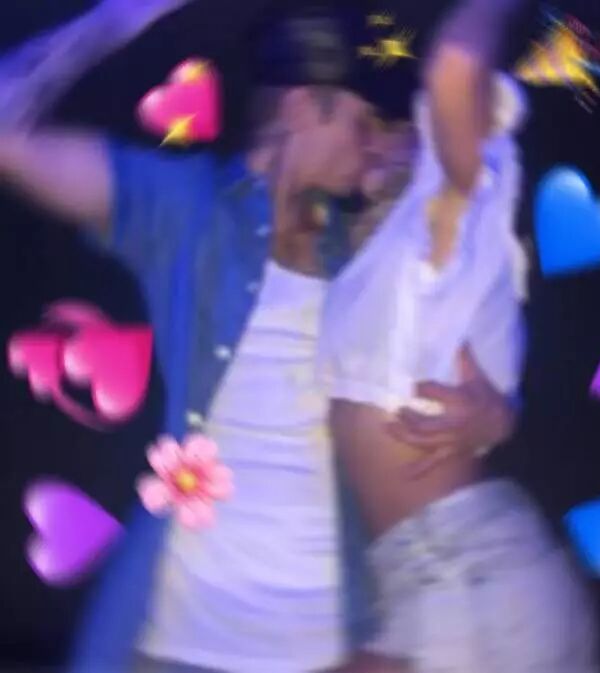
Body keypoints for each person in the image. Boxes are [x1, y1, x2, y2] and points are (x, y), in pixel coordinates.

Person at [0, 3, 514, 672]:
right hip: (176, 645)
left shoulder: (368, 247)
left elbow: (466, 354)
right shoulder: (186, 208)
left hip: (337, 645)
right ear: (302, 107)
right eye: (359, 122)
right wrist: (117, 18)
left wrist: (496, 413)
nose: (371, 146)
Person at [319, 1, 600, 671]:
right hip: (440, 578)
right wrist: (502, 416)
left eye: (386, 129)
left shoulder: (446, 213)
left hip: (466, 577)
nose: (369, 146)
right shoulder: (399, 260)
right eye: (362, 130)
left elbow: (453, 68)